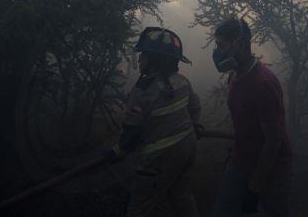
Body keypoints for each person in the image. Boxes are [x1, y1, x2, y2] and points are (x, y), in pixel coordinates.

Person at [106, 27, 202, 217]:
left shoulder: (142, 91)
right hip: (187, 148)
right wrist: (194, 126)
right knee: (182, 199)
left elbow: (131, 133)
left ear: (155, 61)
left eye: (144, 56)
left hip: (157, 160)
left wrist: (116, 152)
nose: (140, 59)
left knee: (139, 208)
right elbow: (195, 107)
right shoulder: (182, 81)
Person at [212, 17, 292, 217]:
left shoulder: (263, 84)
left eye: (221, 45)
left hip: (272, 168)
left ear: (238, 44)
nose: (217, 52)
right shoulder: (235, 76)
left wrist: (255, 187)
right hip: (239, 162)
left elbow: (273, 142)